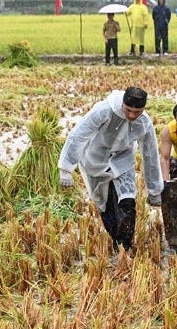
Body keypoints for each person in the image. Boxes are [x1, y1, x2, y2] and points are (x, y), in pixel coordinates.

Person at [58, 87, 164, 251]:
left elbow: (150, 154)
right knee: (106, 207)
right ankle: (117, 241)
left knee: (127, 202)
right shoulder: (104, 111)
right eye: (128, 110)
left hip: (123, 160)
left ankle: (125, 247)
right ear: (123, 104)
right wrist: (66, 168)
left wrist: (154, 189)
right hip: (95, 160)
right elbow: (78, 136)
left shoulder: (144, 122)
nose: (132, 116)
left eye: (137, 112)